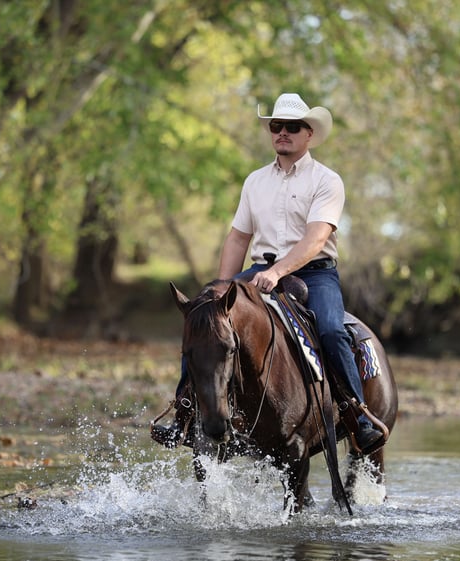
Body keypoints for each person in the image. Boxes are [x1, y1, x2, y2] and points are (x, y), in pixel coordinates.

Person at [151, 93, 384, 453]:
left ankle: (357, 414)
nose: (283, 133)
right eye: (277, 126)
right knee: (203, 324)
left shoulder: (327, 181)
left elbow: (316, 237)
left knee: (332, 330)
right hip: (260, 269)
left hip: (314, 273)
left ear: (309, 134)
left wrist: (278, 272)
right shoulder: (255, 181)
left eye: (292, 127)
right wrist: (220, 292)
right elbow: (238, 237)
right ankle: (183, 414)